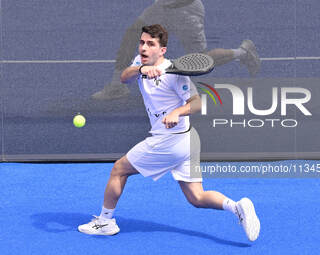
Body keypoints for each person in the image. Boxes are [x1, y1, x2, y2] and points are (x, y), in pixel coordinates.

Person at [79, 24, 260, 242]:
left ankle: (105, 221)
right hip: (187, 141)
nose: (144, 48)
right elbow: (124, 78)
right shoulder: (140, 62)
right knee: (197, 197)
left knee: (119, 169)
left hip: (170, 141)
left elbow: (197, 103)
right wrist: (140, 70)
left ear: (162, 50)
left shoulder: (176, 75)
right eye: (142, 42)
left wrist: (177, 112)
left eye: (151, 44)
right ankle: (237, 207)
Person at [92, 0, 260, 100]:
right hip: (161, 8)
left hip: (185, 12)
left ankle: (243, 52)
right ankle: (117, 86)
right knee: (131, 35)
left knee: (200, 60)